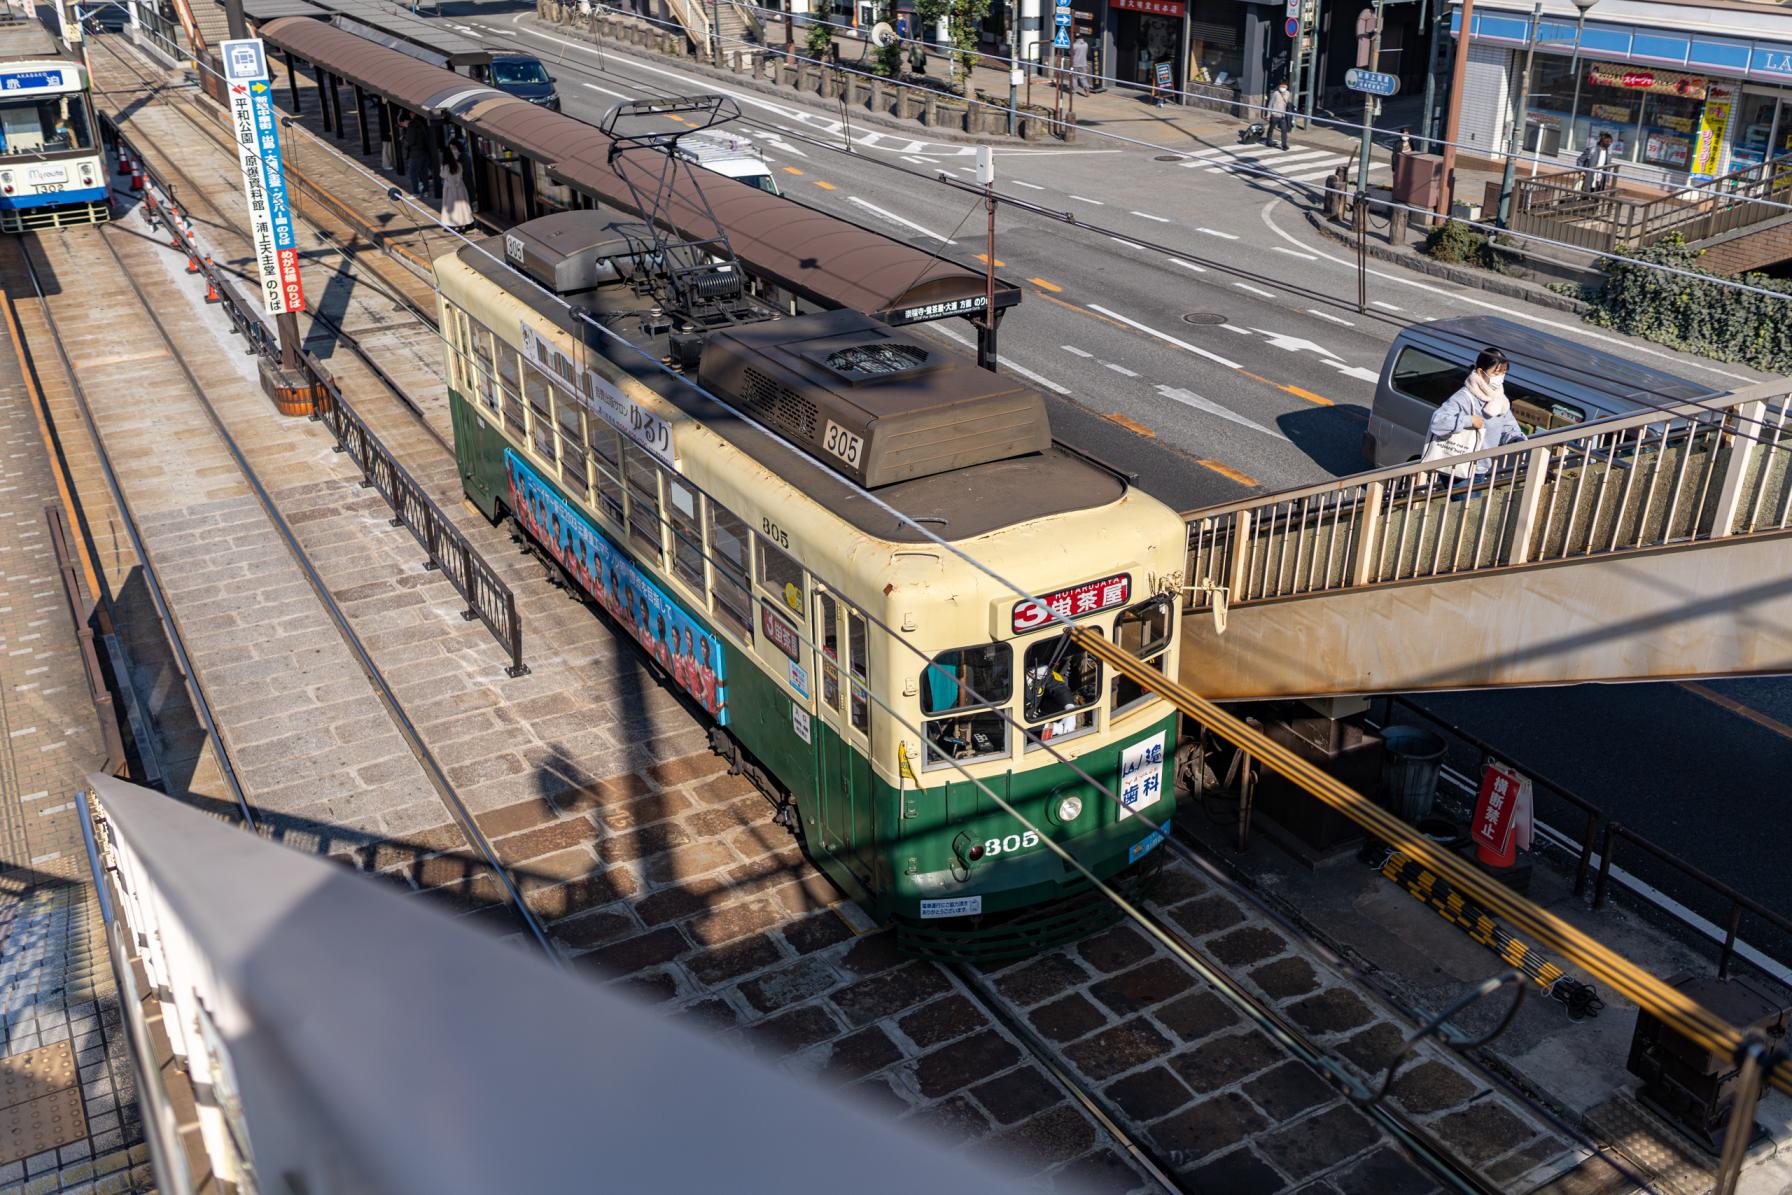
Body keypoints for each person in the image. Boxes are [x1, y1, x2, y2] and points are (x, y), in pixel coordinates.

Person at [1423, 348, 1526, 478]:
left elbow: (1508, 426)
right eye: (1496, 373)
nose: (1500, 378)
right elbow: (1437, 422)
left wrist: (1516, 438)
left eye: (1503, 373)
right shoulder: (1464, 397)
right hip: (1457, 468)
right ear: (1481, 372)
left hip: (1481, 469)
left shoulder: (1500, 400)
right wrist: (1469, 420)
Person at [401, 113, 437, 200]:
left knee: (413, 173)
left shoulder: (411, 128)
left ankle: (416, 192)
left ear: (406, 121)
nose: (403, 125)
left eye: (402, 123)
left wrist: (404, 140)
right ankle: (426, 191)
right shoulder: (419, 125)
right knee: (423, 172)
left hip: (416, 154)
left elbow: (410, 141)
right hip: (424, 152)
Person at [440, 156, 472, 231]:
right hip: (460, 187)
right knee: (462, 207)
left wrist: (442, 167)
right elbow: (461, 175)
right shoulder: (459, 165)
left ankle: (453, 224)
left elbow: (442, 175)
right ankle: (463, 224)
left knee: (451, 207)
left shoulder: (445, 166)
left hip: (450, 189)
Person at [1266, 81, 1292, 151]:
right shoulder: (1275, 93)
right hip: (1274, 114)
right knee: (1271, 129)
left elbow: (1289, 104)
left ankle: (1284, 145)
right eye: (1281, 86)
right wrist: (1268, 114)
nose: (1282, 88)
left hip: (1283, 115)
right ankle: (1269, 141)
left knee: (1284, 130)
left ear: (1287, 87)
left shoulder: (1288, 93)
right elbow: (1270, 104)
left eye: (1284, 87)